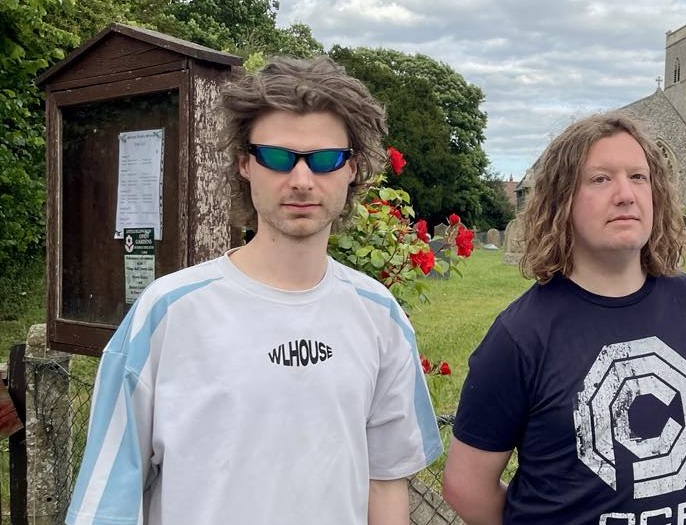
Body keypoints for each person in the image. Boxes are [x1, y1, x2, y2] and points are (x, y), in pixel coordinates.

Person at [66, 56, 442, 525]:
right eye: (278, 157)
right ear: (245, 163)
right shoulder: (168, 313)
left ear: (352, 169)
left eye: (325, 159)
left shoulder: (379, 316)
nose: (301, 181)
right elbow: (107, 505)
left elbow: (385, 483)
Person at [442, 113, 686, 524]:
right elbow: (466, 486)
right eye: (600, 179)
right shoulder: (521, 335)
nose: (626, 194)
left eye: (638, 177)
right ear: (563, 201)